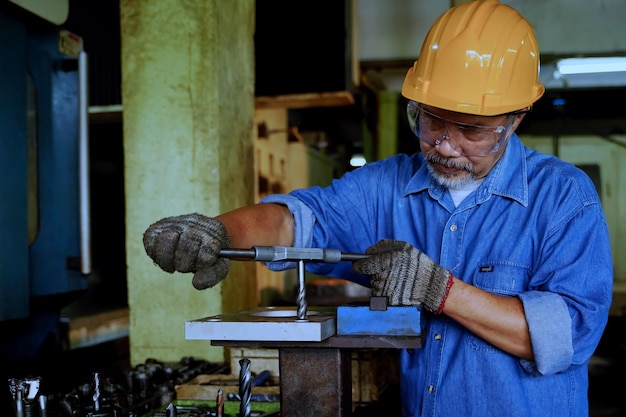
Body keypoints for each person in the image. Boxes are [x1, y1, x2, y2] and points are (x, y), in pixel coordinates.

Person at [142, 1, 614, 416]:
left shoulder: (563, 198)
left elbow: (565, 337)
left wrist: (439, 289)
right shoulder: (384, 188)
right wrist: (220, 233)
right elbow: (300, 219)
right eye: (430, 120)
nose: (445, 145)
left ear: (515, 120)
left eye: (470, 129)